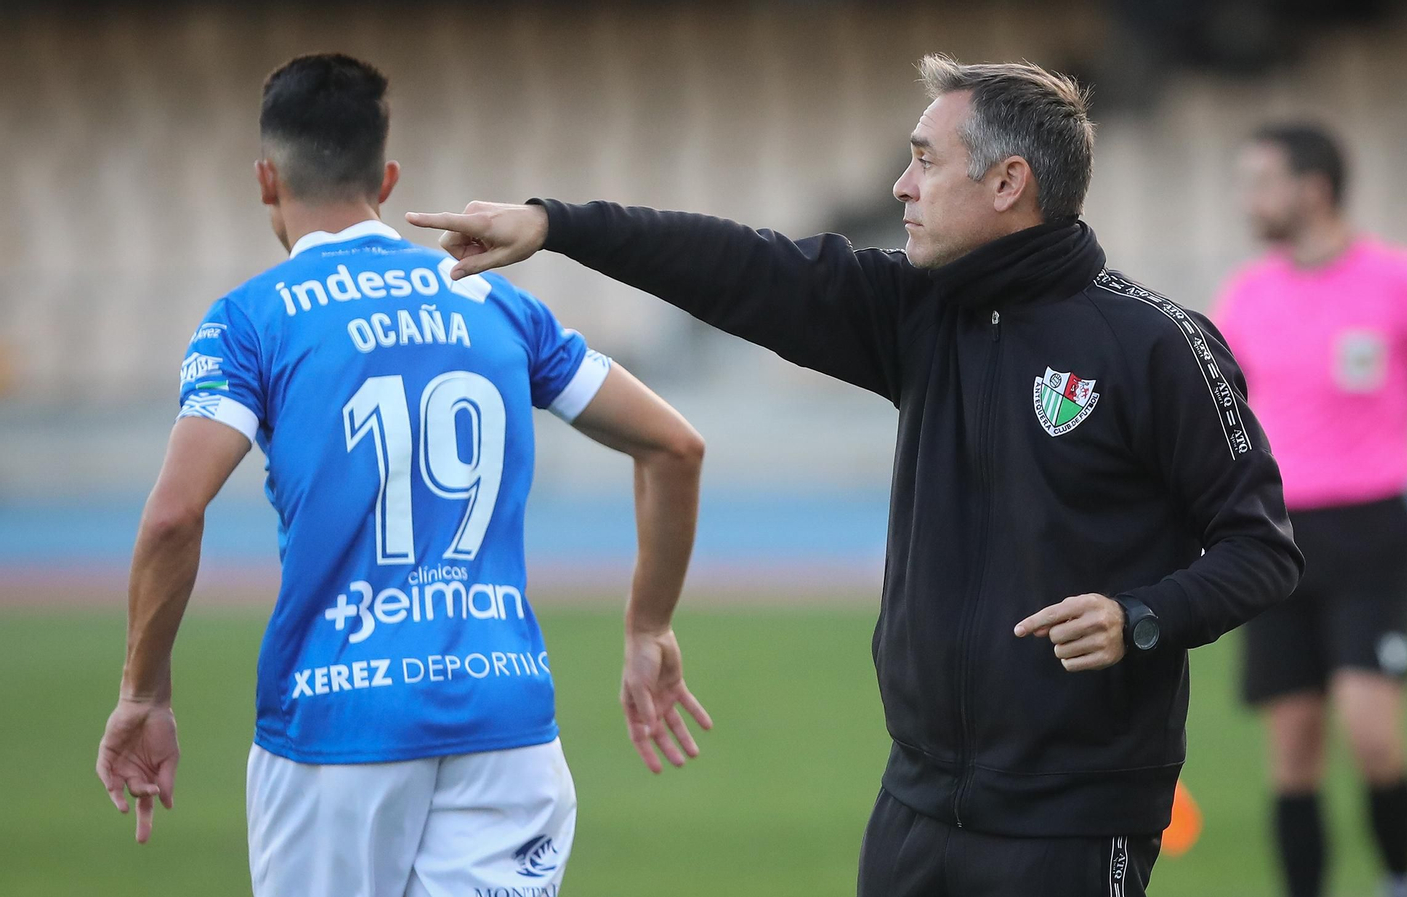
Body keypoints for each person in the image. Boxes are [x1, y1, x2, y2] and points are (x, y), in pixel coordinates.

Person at [410, 54, 1304, 896]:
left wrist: (1140, 615)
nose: (902, 186)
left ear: (1007, 183)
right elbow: (742, 265)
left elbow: (1261, 548)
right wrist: (558, 226)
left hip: (1074, 815)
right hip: (916, 802)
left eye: (925, 160)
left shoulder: (1155, 345)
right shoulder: (914, 309)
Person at [93, 54, 713, 897]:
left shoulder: (251, 319)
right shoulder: (495, 299)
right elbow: (675, 446)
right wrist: (648, 626)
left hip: (337, 721)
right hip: (506, 719)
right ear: (387, 179)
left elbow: (173, 516)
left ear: (266, 179)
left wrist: (144, 693)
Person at [1216, 124, 1407, 897]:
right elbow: (1216, 416)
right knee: (1293, 746)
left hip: (1370, 531)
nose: (1248, 200)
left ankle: (1400, 879)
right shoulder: (1246, 294)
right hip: (1275, 537)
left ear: (1313, 189)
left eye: (1262, 182)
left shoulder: (1403, 282)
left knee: (1372, 732)